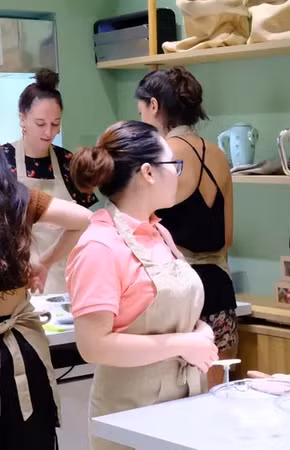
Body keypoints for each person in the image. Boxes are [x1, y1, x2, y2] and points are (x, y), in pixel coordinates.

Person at [65, 121, 219, 450]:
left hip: (183, 405)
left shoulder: (159, 232)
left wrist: (200, 333)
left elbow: (181, 311)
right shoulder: (100, 246)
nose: (179, 174)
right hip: (129, 416)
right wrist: (182, 343)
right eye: (173, 165)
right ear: (148, 172)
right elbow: (93, 346)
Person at [134, 67, 238, 388]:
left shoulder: (163, 155)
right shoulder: (219, 155)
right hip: (219, 287)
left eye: (141, 112)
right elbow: (227, 237)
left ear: (154, 106)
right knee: (220, 395)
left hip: (178, 295)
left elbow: (137, 227)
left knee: (177, 406)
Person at [0, 154, 91, 449]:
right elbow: (83, 219)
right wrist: (44, 262)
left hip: (19, 347)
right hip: (23, 345)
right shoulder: (19, 199)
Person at [2, 68, 98, 294]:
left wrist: (45, 261)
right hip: (16, 279)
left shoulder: (68, 163)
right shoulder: (3, 162)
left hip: (65, 279)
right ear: (22, 118)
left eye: (55, 123)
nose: (49, 131)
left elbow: (88, 224)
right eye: (40, 123)